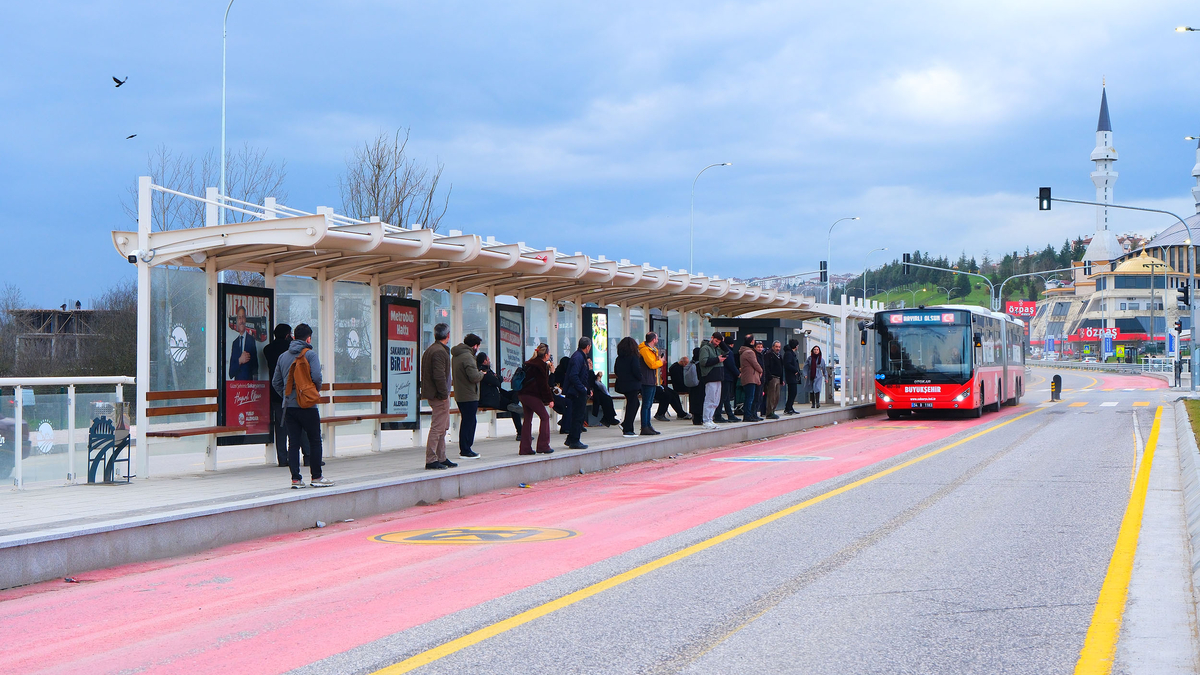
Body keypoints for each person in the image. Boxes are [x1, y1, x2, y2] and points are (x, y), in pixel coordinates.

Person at [270, 323, 333, 489]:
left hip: (289, 407)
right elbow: (317, 377)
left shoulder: (283, 357)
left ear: (293, 337)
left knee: (293, 442)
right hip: (308, 406)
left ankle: (296, 479)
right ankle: (317, 476)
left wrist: (287, 396)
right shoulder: (310, 355)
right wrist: (312, 393)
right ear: (308, 338)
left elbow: (276, 382)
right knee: (315, 440)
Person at [421, 323, 456, 470]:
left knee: (443, 427)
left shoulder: (431, 350)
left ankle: (441, 457)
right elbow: (439, 376)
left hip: (436, 394)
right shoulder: (439, 352)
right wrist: (443, 395)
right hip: (439, 395)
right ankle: (431, 459)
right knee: (437, 428)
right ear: (448, 335)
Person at [263, 323, 294, 467]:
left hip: (275, 393)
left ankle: (282, 458)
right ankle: (303, 455)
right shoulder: (290, 350)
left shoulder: (268, 349)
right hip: (292, 393)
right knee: (296, 425)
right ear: (288, 335)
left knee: (280, 426)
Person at [451, 333, 486, 459]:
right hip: (469, 395)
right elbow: (474, 377)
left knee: (467, 420)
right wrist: (482, 373)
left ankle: (465, 448)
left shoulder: (457, 355)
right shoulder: (468, 357)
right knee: (469, 422)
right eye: (478, 346)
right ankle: (466, 450)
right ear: (475, 346)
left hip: (460, 393)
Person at [518, 343, 555, 455]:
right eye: (549, 353)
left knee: (527, 419)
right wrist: (550, 399)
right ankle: (543, 445)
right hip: (532, 395)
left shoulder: (529, 363)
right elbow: (543, 385)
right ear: (546, 355)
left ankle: (525, 448)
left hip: (522, 394)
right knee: (545, 417)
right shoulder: (541, 366)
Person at [477, 352, 523, 440]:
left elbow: (500, 378)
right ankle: (521, 433)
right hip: (490, 399)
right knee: (513, 408)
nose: (489, 361)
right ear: (484, 361)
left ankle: (514, 403)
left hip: (497, 394)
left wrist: (497, 378)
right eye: (488, 359)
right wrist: (496, 378)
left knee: (516, 393)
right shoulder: (483, 372)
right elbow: (497, 382)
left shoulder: (488, 370)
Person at [563, 337, 592, 449]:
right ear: (587, 346)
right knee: (578, 416)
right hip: (576, 392)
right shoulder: (578, 357)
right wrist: (582, 389)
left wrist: (587, 389)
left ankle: (571, 438)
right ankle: (575, 440)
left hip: (578, 390)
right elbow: (573, 375)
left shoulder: (579, 356)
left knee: (577, 415)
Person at [697, 331, 727, 429]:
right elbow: (703, 362)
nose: (717, 343)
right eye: (716, 341)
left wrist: (722, 343)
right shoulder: (705, 348)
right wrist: (717, 360)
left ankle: (710, 418)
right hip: (710, 376)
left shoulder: (717, 348)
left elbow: (727, 352)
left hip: (718, 376)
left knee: (716, 400)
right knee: (710, 399)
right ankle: (706, 420)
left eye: (719, 342)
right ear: (712, 338)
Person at [613, 337, 642, 438]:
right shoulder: (634, 357)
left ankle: (625, 424)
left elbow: (616, 371)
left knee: (634, 403)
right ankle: (628, 429)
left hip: (622, 384)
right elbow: (636, 370)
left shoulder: (619, 358)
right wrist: (641, 378)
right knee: (632, 405)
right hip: (632, 385)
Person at [638, 332, 666, 435]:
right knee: (646, 404)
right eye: (657, 338)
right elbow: (651, 364)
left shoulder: (653, 350)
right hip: (646, 380)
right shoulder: (645, 350)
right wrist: (661, 361)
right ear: (653, 340)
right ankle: (644, 426)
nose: (657, 340)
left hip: (653, 380)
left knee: (649, 404)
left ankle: (648, 425)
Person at [228, 305, 259, 380]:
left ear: (246, 319)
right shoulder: (235, 343)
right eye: (239, 318)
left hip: (249, 384)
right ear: (237, 321)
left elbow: (255, 367)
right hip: (237, 385)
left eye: (243, 317)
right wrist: (240, 361)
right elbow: (231, 373)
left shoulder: (251, 340)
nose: (241, 321)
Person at [739, 335, 763, 422]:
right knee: (750, 397)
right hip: (750, 378)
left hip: (748, 377)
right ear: (751, 342)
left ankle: (751, 414)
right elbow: (755, 364)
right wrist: (761, 370)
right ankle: (748, 415)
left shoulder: (744, 351)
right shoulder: (749, 352)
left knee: (749, 397)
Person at [718, 336, 739, 423]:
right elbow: (731, 364)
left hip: (722, 376)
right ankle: (718, 415)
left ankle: (729, 414)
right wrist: (737, 373)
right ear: (732, 344)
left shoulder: (720, 350)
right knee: (723, 396)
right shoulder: (728, 352)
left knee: (725, 397)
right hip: (727, 377)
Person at [763, 340, 784, 419]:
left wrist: (781, 379)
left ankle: (773, 410)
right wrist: (769, 377)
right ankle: (769, 412)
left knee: (777, 396)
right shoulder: (769, 355)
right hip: (772, 377)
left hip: (778, 378)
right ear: (773, 347)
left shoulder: (779, 356)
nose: (778, 348)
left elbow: (781, 368)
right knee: (771, 396)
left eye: (779, 347)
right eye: (776, 347)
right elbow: (766, 366)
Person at [686, 349, 704, 426]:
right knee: (700, 400)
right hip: (700, 385)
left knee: (694, 400)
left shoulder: (691, 363)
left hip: (692, 386)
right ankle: (699, 418)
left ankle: (695, 417)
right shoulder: (700, 364)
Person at [783, 339, 801, 415]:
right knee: (792, 392)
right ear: (796, 346)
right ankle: (788, 408)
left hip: (792, 376)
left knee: (793, 392)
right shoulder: (789, 354)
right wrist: (795, 370)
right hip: (791, 376)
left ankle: (790, 407)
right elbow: (787, 364)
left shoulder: (791, 353)